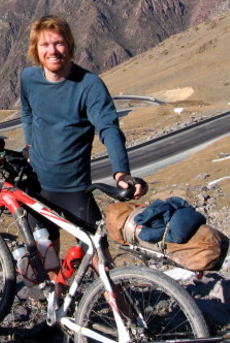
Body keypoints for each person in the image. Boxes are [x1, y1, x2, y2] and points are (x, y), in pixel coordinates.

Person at [20, 15, 146, 255]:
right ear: (36, 50)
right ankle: (55, 292)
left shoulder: (89, 85)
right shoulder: (28, 79)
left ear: (69, 44)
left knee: (99, 253)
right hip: (37, 186)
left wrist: (121, 172)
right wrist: (29, 145)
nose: (52, 50)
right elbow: (27, 112)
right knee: (47, 255)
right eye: (45, 45)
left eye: (58, 43)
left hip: (75, 189)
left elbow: (108, 128)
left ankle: (113, 293)